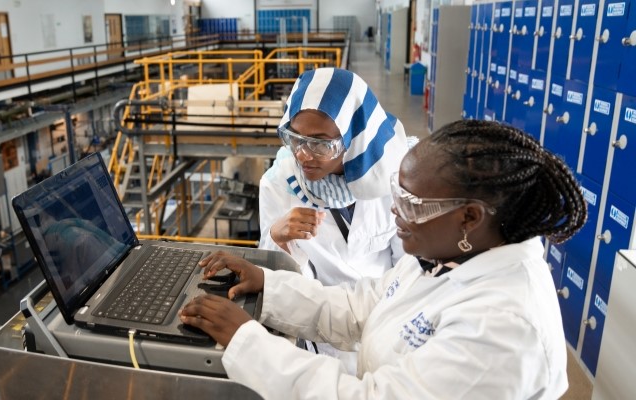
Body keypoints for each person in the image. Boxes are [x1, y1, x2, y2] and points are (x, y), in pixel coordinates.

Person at [180, 120, 587, 399]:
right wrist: (269, 286)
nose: (395, 212)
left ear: (470, 217)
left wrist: (248, 343)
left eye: (411, 203)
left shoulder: (504, 328)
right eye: (396, 192)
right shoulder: (445, 254)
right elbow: (361, 306)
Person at [258, 67, 409, 370]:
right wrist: (277, 237)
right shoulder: (279, 183)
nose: (302, 155)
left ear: (354, 137)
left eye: (320, 143)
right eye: (295, 139)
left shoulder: (393, 178)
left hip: (386, 320)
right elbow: (276, 274)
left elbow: (409, 266)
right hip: (320, 330)